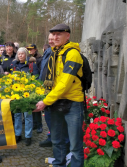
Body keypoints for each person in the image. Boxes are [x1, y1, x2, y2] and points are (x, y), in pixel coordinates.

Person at [35, 23, 84, 167]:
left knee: (75, 144)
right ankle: (59, 164)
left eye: (59, 34)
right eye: (53, 34)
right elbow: (51, 80)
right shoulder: (54, 52)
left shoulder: (73, 54)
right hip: (56, 101)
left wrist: (45, 101)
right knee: (57, 139)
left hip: (72, 103)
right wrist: (38, 97)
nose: (55, 37)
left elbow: (64, 83)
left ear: (67, 36)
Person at [10, 47, 39, 146]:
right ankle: (17, 134)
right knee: (17, 115)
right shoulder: (14, 65)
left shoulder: (31, 65)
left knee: (27, 115)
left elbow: (36, 79)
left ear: (26, 55)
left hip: (28, 94)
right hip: (16, 94)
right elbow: (10, 78)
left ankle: (28, 136)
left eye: (22, 54)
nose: (20, 55)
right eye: (19, 54)